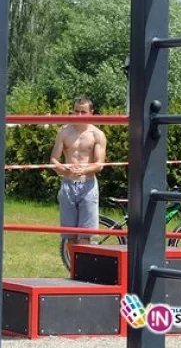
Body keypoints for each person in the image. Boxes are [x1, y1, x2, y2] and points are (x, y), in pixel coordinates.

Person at [50, 96, 108, 260]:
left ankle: (84, 268)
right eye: (76, 111)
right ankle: (73, 268)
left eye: (83, 112)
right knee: (70, 235)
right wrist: (62, 168)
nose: (79, 115)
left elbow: (100, 163)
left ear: (91, 112)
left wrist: (84, 170)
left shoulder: (97, 134)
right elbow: (54, 159)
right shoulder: (64, 131)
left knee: (85, 235)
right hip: (68, 185)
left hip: (88, 186)